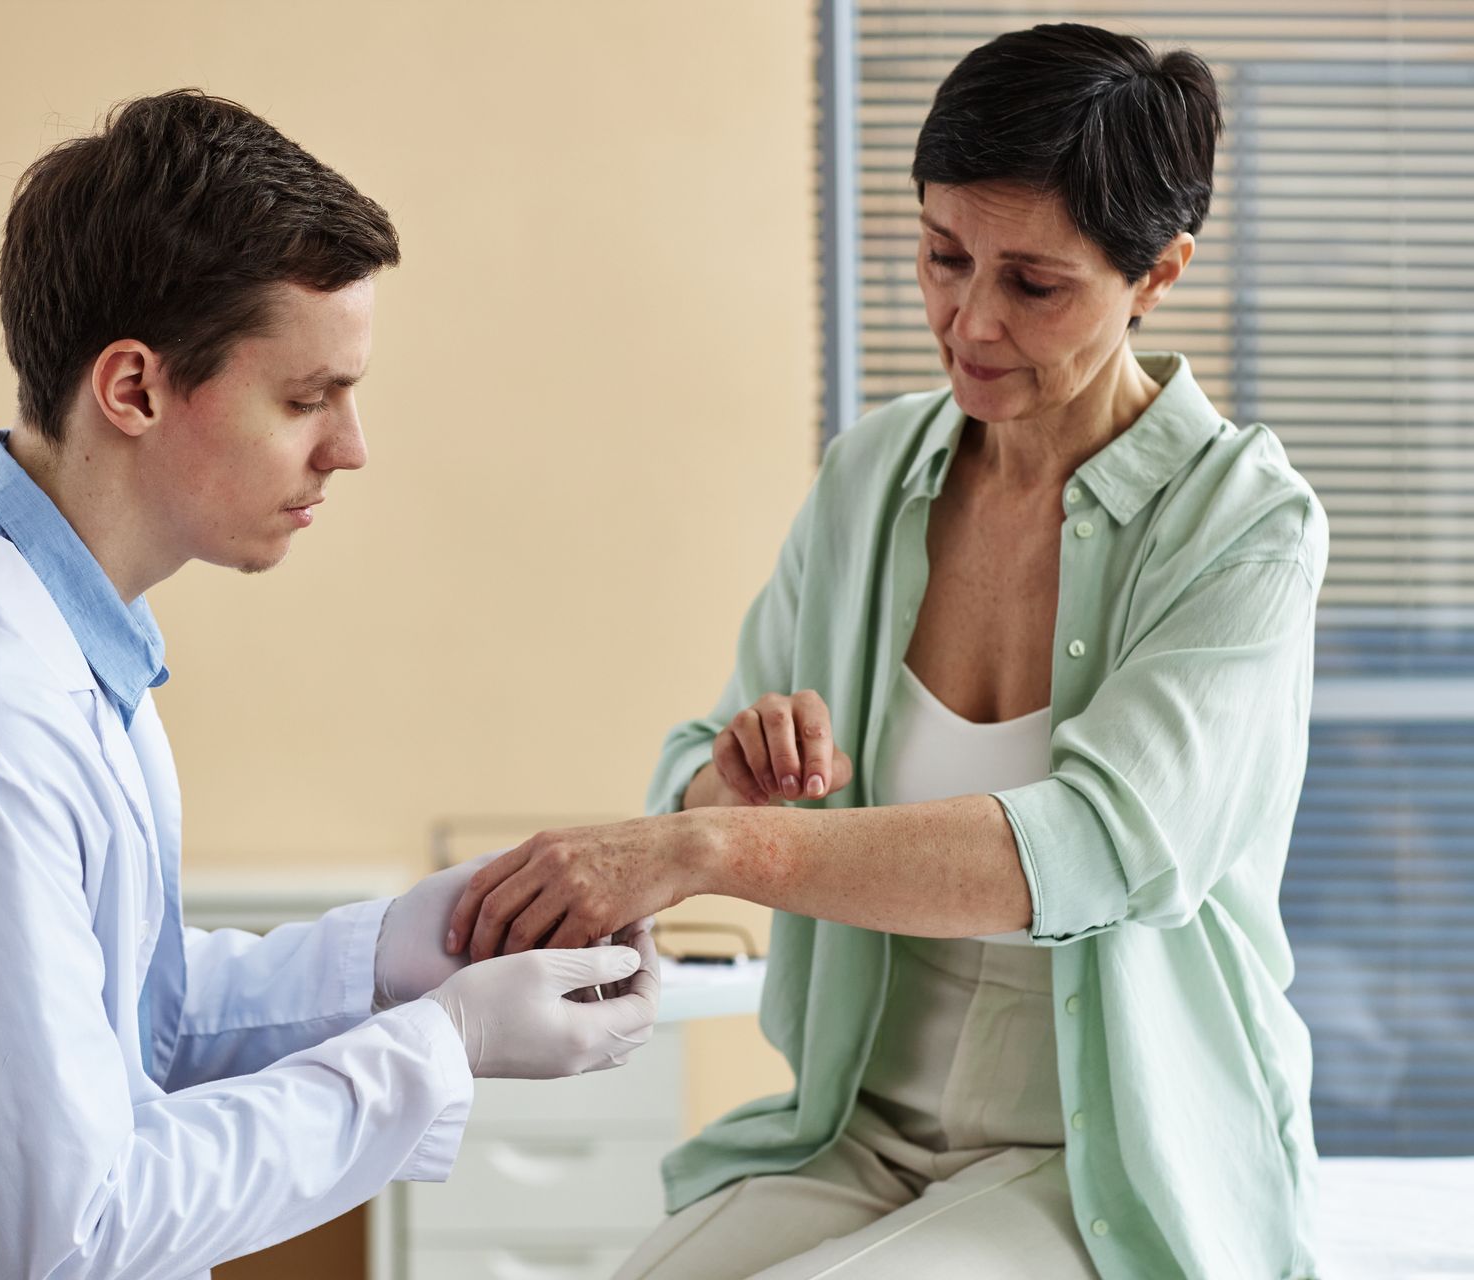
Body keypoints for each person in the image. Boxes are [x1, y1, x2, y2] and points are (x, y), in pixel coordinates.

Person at [0, 90, 658, 1280]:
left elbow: (130, 1018)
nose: (351, 446)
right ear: (132, 388)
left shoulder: (64, 630)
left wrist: (403, 953)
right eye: (305, 397)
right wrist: (441, 1046)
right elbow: (71, 1229)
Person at [448, 24, 1326, 1280]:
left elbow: (1104, 844)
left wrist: (712, 844)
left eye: (1034, 284)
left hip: (1103, 1158)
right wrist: (726, 785)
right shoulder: (872, 476)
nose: (967, 320)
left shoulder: (1244, 523)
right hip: (859, 1130)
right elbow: (693, 770)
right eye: (941, 255)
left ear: (1157, 273)